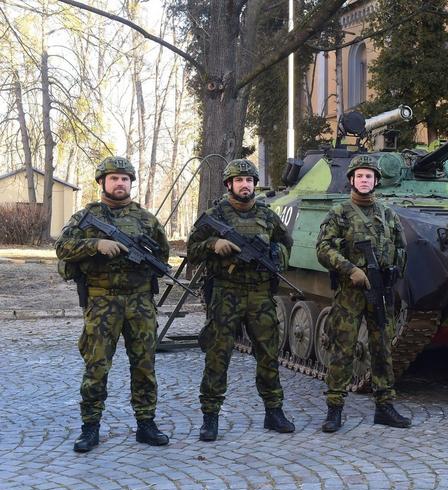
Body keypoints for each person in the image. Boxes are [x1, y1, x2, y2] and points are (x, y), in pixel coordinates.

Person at [55, 156, 170, 453]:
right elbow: (62, 247)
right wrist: (96, 245)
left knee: (144, 364)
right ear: (102, 182)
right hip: (102, 301)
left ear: (131, 183)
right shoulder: (86, 217)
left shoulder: (146, 219)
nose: (120, 183)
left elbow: (162, 257)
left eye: (125, 179)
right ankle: (90, 427)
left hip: (140, 301)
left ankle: (146, 423)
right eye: (114, 178)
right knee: (96, 365)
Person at [187, 159, 294, 441]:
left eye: (249, 180)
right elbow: (192, 249)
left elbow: (286, 244)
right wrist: (214, 244)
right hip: (226, 292)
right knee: (217, 355)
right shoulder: (215, 215)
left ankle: (274, 411)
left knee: (268, 354)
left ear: (254, 184)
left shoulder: (267, 215)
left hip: (259, 293)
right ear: (229, 184)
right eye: (239, 180)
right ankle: (210, 417)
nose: (244, 185)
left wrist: (274, 256)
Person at [315, 154, 412, 432]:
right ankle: (334, 408)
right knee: (343, 348)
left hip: (380, 290)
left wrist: (393, 271)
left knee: (382, 348)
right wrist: (350, 269)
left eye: (369, 176)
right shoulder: (340, 213)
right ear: (351, 180)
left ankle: (385, 406)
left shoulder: (387, 214)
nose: (364, 180)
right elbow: (323, 248)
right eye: (360, 176)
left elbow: (401, 247)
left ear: (376, 181)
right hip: (351, 291)